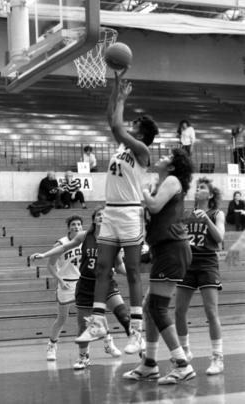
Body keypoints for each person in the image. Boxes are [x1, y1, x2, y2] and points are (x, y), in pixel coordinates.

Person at [75, 70, 159, 354]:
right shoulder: (123, 146)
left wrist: (122, 98)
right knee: (102, 268)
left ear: (142, 133)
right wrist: (115, 88)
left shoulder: (142, 150)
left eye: (134, 124)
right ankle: (98, 321)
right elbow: (113, 121)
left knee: (133, 272)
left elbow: (116, 126)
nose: (129, 126)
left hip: (129, 213)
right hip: (110, 212)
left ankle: (136, 330)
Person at [123, 148, 195, 384]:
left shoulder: (172, 180)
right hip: (164, 250)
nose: (161, 158)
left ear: (173, 167)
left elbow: (153, 206)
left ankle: (182, 364)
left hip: (172, 249)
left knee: (158, 308)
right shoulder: (164, 183)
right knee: (148, 307)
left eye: (167, 157)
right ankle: (149, 365)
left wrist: (142, 187)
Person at [31, 206, 131, 369]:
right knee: (80, 323)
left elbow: (119, 265)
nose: (101, 217)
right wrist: (44, 254)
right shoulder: (84, 236)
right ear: (94, 219)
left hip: (104, 283)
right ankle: (82, 356)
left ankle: (130, 343)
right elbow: (63, 249)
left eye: (104, 215)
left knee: (121, 313)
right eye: (98, 215)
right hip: (82, 283)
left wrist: (132, 275)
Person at [175, 177, 225, 376]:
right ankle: (185, 351)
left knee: (211, 312)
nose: (198, 190)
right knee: (179, 311)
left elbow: (220, 238)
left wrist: (206, 219)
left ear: (210, 195)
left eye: (202, 187)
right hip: (187, 264)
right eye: (197, 187)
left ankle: (217, 357)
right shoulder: (187, 214)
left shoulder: (216, 213)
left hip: (207, 263)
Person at [30, 215, 84, 361]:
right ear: (69, 227)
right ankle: (52, 345)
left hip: (82, 281)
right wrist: (60, 280)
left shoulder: (86, 241)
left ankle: (105, 342)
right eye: (73, 224)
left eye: (79, 224)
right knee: (62, 318)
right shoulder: (61, 243)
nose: (76, 227)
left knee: (88, 316)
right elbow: (50, 265)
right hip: (66, 282)